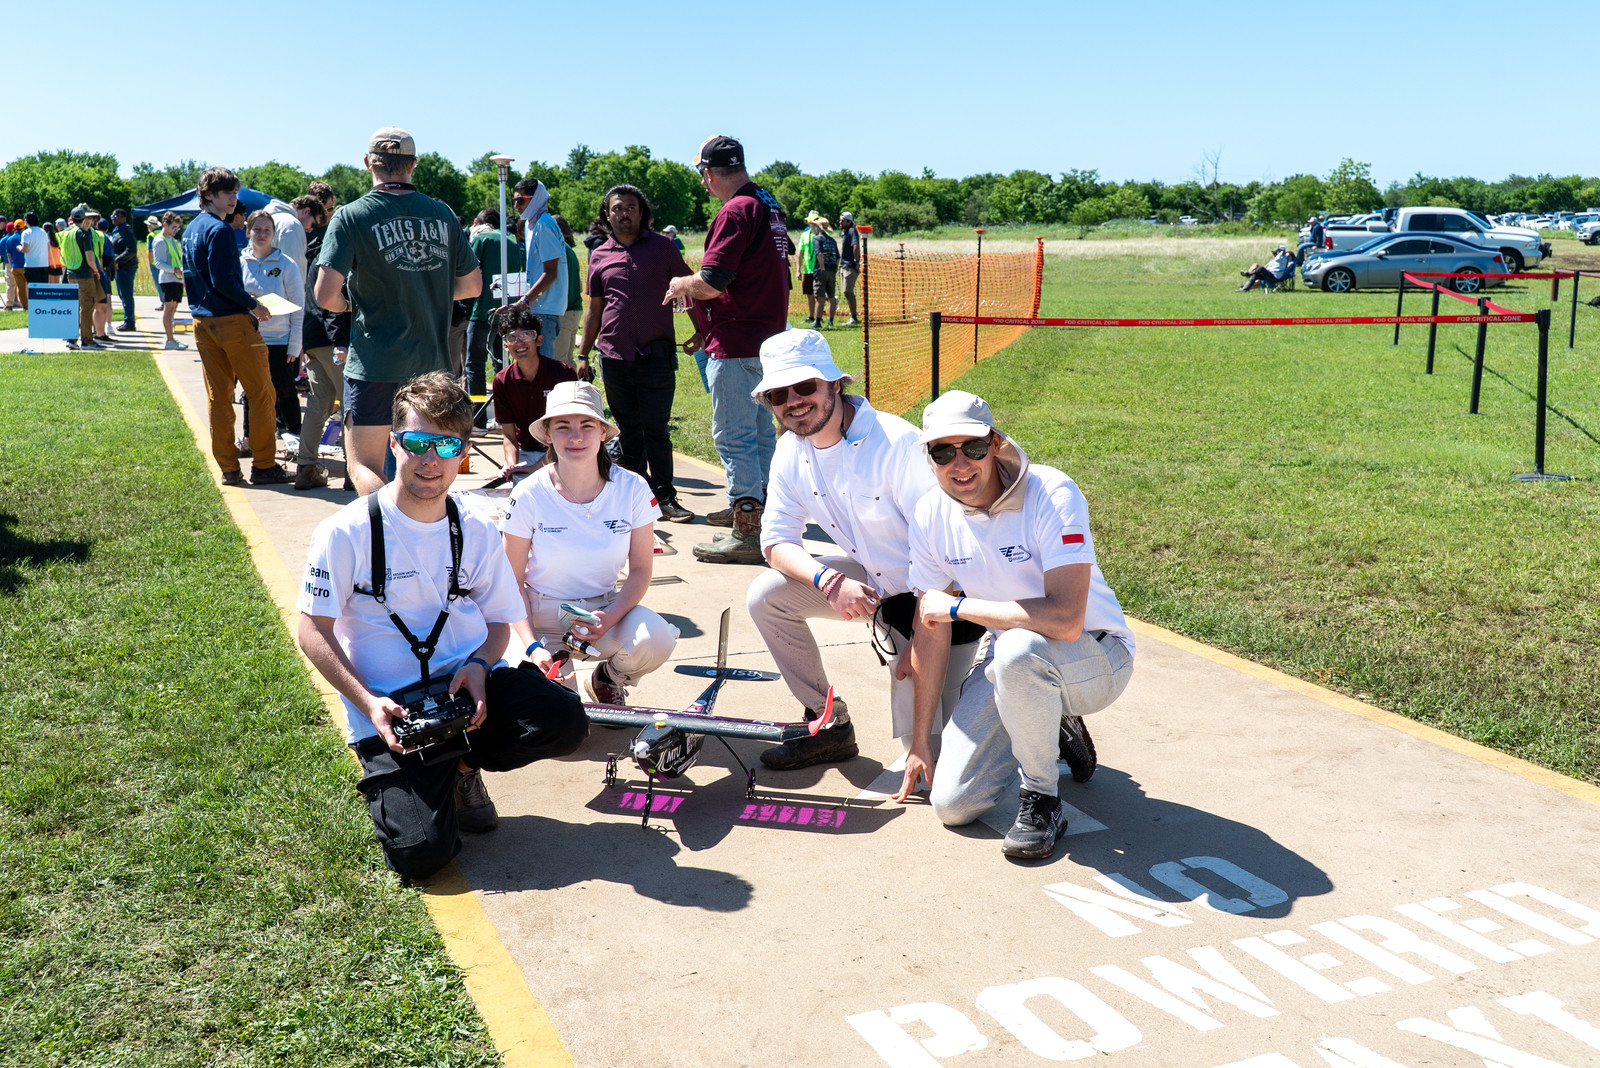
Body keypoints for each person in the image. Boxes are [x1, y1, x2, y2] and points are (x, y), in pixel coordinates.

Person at [297, 372, 588, 880]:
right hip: (392, 711)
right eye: (417, 442)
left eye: (447, 445)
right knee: (423, 855)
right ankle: (423, 779)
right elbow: (312, 630)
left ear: (464, 454)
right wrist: (369, 703)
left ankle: (463, 769)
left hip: (465, 691)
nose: (430, 459)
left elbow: (498, 620)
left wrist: (480, 665)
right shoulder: (346, 531)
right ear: (394, 444)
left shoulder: (475, 527)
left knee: (564, 719)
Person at [901, 390, 1135, 860]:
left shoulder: (1052, 492)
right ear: (929, 458)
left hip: (1097, 654)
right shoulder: (929, 513)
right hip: (1015, 662)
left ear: (995, 443)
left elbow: (1065, 620)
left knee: (1016, 651)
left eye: (972, 447)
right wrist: (920, 739)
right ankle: (1047, 719)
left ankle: (1042, 799)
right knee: (953, 804)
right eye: (943, 452)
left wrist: (959, 607)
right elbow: (929, 625)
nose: (959, 464)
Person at [745, 329, 982, 770]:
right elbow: (775, 541)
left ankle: (1048, 707)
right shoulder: (789, 451)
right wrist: (828, 581)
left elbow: (946, 553)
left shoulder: (898, 443)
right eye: (778, 394)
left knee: (941, 763)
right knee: (766, 596)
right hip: (879, 585)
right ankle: (828, 723)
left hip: (946, 593)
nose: (793, 401)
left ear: (835, 384)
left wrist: (920, 636)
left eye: (805, 386)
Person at [314, 126, 483, 495]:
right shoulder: (442, 214)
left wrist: (350, 303)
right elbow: (472, 285)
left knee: (364, 465)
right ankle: (423, 527)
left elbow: (325, 295)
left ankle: (388, 529)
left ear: (368, 163)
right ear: (413, 165)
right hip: (432, 367)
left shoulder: (351, 216)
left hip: (374, 364)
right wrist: (432, 290)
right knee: (431, 465)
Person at [500, 380, 678, 707]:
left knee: (656, 639)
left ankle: (608, 679)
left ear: (603, 432)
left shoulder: (633, 488)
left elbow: (641, 570)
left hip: (605, 612)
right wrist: (532, 646)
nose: (576, 437)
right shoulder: (528, 494)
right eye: (563, 427)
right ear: (548, 434)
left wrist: (609, 617)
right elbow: (511, 581)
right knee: (560, 717)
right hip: (542, 621)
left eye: (587, 425)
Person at [664, 135, 790, 565]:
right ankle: (760, 513)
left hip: (737, 341)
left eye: (702, 174)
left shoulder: (736, 210)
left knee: (734, 437)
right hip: (766, 341)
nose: (703, 183)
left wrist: (681, 284)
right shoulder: (766, 203)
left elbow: (712, 283)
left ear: (709, 173)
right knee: (760, 433)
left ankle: (748, 529)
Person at [579, 184, 698, 522]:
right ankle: (635, 501)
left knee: (656, 429)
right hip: (614, 356)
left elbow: (690, 289)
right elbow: (595, 309)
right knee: (628, 429)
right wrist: (583, 355)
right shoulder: (599, 255)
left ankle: (665, 497)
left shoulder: (663, 248)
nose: (624, 213)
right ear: (607, 215)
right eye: (617, 208)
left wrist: (701, 331)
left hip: (656, 355)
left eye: (630, 207)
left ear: (641, 212)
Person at [182, 167, 287, 486]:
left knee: (219, 396)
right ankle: (264, 465)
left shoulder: (190, 230)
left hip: (203, 321)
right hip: (232, 322)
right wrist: (254, 305)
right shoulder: (222, 230)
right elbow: (224, 281)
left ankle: (228, 467)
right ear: (208, 194)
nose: (233, 199)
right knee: (261, 393)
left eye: (235, 193)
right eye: (227, 193)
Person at [240, 209, 306, 457]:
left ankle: (294, 441)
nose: (262, 234)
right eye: (257, 229)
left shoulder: (286, 264)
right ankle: (249, 439)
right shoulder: (239, 263)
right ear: (248, 231)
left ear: (274, 234)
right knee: (251, 392)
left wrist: (295, 344)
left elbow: (298, 307)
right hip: (249, 340)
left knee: (285, 391)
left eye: (267, 230)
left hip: (280, 341)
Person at [296, 194, 349, 490]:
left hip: (313, 338)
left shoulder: (314, 253)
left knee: (319, 405)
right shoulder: (335, 257)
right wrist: (341, 341)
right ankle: (355, 472)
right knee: (351, 407)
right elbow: (332, 304)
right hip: (333, 341)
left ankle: (306, 466)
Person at [490, 304, 577, 479]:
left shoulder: (563, 374)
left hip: (564, 451)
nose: (519, 342)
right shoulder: (502, 380)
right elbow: (509, 436)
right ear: (506, 346)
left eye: (526, 335)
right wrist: (512, 466)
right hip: (525, 453)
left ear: (539, 340)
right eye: (512, 337)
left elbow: (570, 432)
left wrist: (536, 468)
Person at [466, 208, 526, 423]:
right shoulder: (511, 239)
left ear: (478, 223)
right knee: (503, 364)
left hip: (482, 310)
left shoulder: (481, 239)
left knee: (475, 364)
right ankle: (504, 416)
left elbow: (468, 271)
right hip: (507, 311)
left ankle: (478, 419)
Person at [508, 178, 568, 362]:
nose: (516, 206)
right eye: (514, 201)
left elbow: (550, 273)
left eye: (520, 200)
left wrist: (524, 302)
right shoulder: (530, 224)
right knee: (531, 366)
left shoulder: (544, 224)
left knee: (542, 369)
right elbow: (534, 271)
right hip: (537, 307)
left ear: (535, 199)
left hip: (546, 310)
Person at [57, 206, 106, 350]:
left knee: (76, 307)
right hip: (84, 274)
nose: (90, 220)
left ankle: (71, 338)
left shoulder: (67, 232)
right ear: (83, 218)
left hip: (70, 273)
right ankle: (87, 340)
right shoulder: (84, 233)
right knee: (87, 307)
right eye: (88, 217)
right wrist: (96, 270)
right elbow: (90, 258)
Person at [551, 214, 583, 368]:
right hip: (574, 310)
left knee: (560, 363)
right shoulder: (569, 250)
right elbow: (580, 287)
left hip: (564, 311)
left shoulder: (559, 249)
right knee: (568, 361)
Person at [151, 212, 187, 350]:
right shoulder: (160, 241)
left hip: (177, 279)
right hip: (168, 280)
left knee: (173, 309)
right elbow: (158, 263)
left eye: (178, 228)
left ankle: (172, 338)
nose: (176, 230)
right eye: (174, 227)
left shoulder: (172, 240)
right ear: (165, 224)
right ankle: (169, 340)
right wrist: (175, 270)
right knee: (168, 309)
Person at [109, 208, 141, 332]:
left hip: (126, 267)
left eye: (116, 216)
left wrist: (117, 261)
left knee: (126, 295)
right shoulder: (117, 231)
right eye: (112, 216)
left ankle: (129, 322)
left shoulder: (126, 232)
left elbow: (131, 250)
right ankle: (128, 320)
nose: (113, 218)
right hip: (120, 267)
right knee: (123, 295)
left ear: (123, 218)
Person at [808, 215, 839, 328]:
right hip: (832, 270)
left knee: (820, 297)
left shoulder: (816, 239)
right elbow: (838, 257)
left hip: (821, 271)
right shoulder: (832, 240)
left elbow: (819, 254)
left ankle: (817, 321)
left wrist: (822, 268)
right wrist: (834, 269)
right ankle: (830, 321)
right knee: (831, 297)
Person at [838, 211, 861, 326]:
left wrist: (856, 262)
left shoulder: (852, 231)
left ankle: (854, 317)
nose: (840, 222)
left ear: (849, 221)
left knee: (848, 291)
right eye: (840, 220)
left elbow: (855, 246)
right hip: (844, 265)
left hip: (850, 266)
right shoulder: (845, 232)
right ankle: (853, 316)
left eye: (842, 221)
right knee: (846, 292)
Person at [20, 213, 52, 293]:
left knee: (32, 289)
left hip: (32, 265)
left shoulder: (26, 232)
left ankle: (31, 301)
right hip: (44, 264)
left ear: (26, 221)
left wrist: (19, 248)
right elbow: (48, 247)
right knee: (43, 290)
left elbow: (25, 249)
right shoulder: (43, 232)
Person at [797, 213, 817, 324]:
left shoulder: (823, 234)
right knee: (809, 294)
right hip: (808, 270)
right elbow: (800, 253)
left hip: (819, 270)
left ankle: (819, 316)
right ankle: (811, 316)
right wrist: (798, 270)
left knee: (819, 294)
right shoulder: (804, 235)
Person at [0, 222, 22, 309]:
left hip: (8, 263)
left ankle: (9, 303)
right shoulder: (20, 237)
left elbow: (1, 253)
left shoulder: (3, 240)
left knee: (10, 284)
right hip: (20, 263)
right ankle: (20, 301)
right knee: (20, 283)